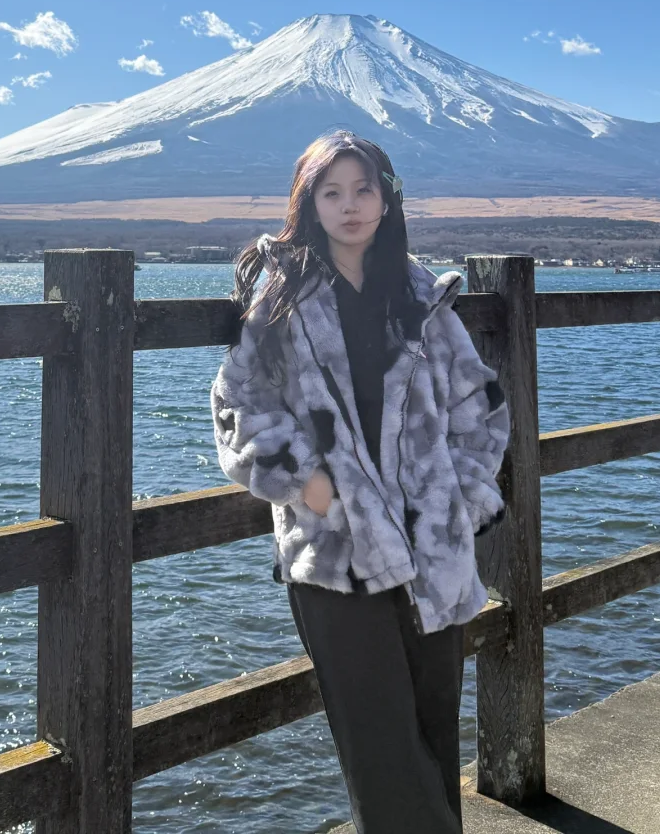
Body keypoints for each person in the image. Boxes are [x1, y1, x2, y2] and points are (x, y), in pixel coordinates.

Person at [210, 130, 510, 834]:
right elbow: (235, 406)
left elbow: (482, 412)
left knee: (432, 744)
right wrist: (309, 488)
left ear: (386, 198)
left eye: (363, 189)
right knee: (382, 756)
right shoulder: (283, 299)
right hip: (336, 558)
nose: (349, 205)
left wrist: (457, 504)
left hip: (433, 558)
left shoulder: (421, 298)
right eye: (331, 191)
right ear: (309, 203)